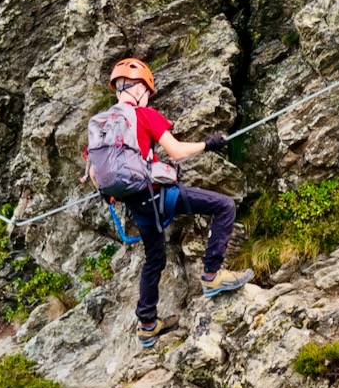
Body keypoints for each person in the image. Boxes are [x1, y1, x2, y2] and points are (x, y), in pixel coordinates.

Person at [108, 58, 254, 347]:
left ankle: (147, 324)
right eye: (148, 91)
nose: (148, 97)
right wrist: (208, 144)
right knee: (224, 205)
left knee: (154, 259)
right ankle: (212, 274)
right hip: (158, 197)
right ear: (138, 89)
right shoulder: (145, 115)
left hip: (135, 205)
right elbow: (175, 151)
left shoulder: (102, 124)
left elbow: (94, 173)